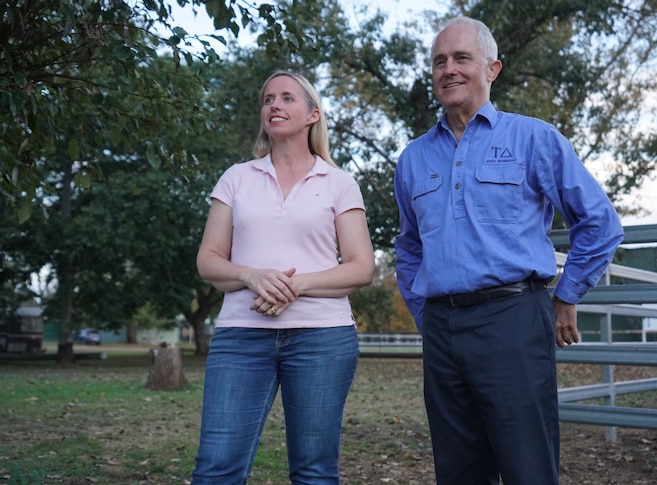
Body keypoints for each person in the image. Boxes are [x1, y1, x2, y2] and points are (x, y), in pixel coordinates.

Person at [394, 17, 624, 485]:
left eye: (462, 58)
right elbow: (409, 246)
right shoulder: (413, 158)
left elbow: (599, 222)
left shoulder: (534, 139)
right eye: (440, 61)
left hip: (514, 320)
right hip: (442, 330)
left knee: (527, 467)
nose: (449, 69)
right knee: (457, 470)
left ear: (492, 68)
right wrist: (427, 315)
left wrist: (567, 294)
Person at [192, 71, 375, 484]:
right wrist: (252, 276)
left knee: (314, 471)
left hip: (322, 339)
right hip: (240, 337)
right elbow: (209, 260)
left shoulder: (339, 183)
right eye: (268, 99)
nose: (274, 105)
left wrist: (294, 285)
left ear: (313, 114)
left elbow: (362, 266)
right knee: (216, 468)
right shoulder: (236, 178)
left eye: (287, 98)